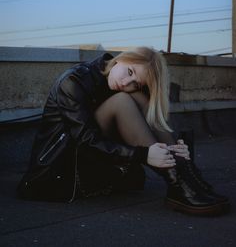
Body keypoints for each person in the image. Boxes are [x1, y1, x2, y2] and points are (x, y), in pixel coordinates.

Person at [18, 46, 229, 215]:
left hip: (92, 163)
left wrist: (174, 148)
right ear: (122, 58)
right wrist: (144, 154)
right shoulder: (73, 82)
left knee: (138, 97)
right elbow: (85, 139)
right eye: (129, 72)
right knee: (121, 101)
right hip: (58, 173)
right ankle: (176, 180)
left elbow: (143, 107)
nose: (126, 82)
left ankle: (182, 168)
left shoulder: (121, 83)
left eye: (134, 82)